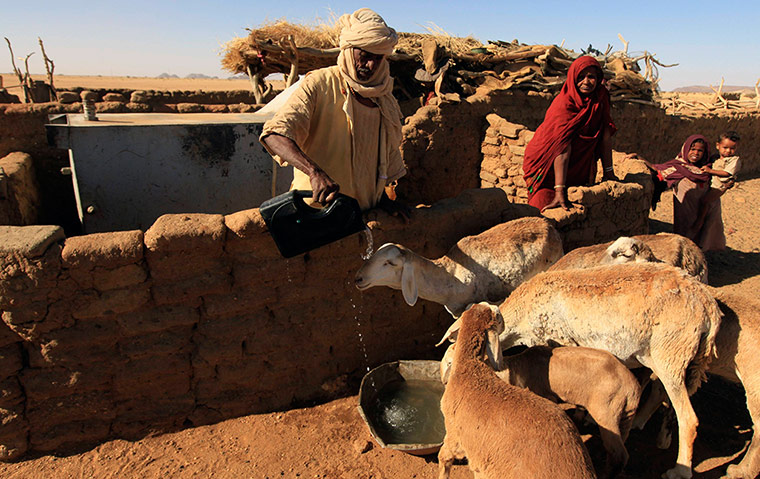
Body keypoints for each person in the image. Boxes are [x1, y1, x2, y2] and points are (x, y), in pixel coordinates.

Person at [259, 8, 409, 219]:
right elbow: (274, 135)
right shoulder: (320, 83)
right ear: (349, 50)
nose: (371, 65)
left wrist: (384, 201)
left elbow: (377, 160)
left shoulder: (384, 97)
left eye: (378, 58)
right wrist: (314, 172)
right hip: (316, 213)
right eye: (364, 56)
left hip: (362, 216)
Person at [522, 55, 617, 212]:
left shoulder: (600, 98)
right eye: (580, 77)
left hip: (578, 166)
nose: (586, 82)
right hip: (550, 166)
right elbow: (561, 148)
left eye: (591, 77)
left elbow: (605, 135)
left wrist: (609, 173)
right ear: (573, 78)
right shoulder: (564, 104)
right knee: (542, 207)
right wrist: (559, 190)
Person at [628, 135, 726, 251]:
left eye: (700, 150)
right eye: (692, 149)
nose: (696, 153)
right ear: (686, 149)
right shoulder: (678, 166)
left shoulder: (709, 167)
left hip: (705, 208)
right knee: (685, 236)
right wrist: (639, 158)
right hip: (685, 210)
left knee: (703, 235)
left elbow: (724, 178)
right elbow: (658, 170)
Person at [692, 131, 740, 233]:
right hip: (712, 185)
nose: (728, 151)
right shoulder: (715, 157)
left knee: (705, 201)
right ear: (718, 146)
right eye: (725, 147)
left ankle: (699, 221)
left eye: (732, 148)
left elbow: (727, 173)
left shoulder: (734, 160)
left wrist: (710, 171)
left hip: (720, 187)